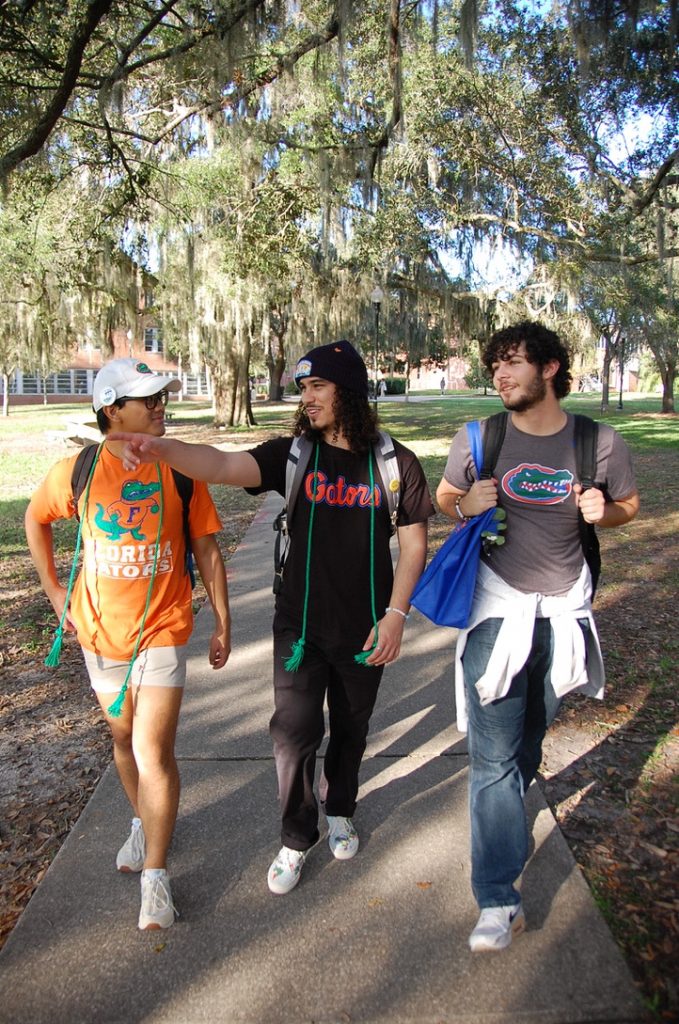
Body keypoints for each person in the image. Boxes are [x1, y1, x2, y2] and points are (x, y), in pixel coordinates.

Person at [112, 340, 434, 895]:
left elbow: (413, 545)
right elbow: (220, 465)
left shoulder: (394, 463)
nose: (305, 399)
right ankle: (295, 836)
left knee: (351, 732)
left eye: (317, 388)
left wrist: (397, 615)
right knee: (292, 735)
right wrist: (162, 449)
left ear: (347, 391)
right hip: (299, 630)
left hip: (367, 630)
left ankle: (341, 809)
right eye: (303, 388)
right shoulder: (294, 455)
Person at [435, 321, 639, 953]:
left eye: (514, 362)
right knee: (493, 760)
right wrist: (467, 503)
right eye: (495, 363)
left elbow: (628, 503)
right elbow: (446, 496)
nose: (500, 374)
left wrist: (610, 511)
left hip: (564, 618)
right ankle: (498, 900)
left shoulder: (598, 442)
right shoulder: (481, 437)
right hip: (497, 612)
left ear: (550, 368)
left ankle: (508, 826)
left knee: (527, 742)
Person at [25, 358, 231, 931]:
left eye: (162, 398)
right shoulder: (80, 471)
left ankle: (156, 879)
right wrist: (52, 587)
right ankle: (144, 821)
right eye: (149, 401)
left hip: (162, 625)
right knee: (122, 736)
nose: (161, 406)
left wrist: (222, 621)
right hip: (98, 629)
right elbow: (34, 518)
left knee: (152, 749)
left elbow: (208, 550)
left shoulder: (181, 469)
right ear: (113, 410)